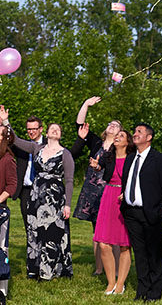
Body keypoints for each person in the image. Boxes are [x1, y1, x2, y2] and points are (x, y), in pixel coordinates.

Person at [5, 107, 74, 281]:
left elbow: (69, 181)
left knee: (51, 234)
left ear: (60, 134)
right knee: (34, 232)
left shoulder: (65, 154)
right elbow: (16, 140)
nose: (55, 130)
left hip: (55, 199)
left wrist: (67, 205)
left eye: (58, 129)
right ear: (48, 132)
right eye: (53, 129)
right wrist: (6, 123)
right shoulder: (37, 148)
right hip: (35, 197)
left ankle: (49, 271)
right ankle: (34, 269)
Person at [121, 121, 162, 301]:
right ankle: (142, 290)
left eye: (139, 131)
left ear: (149, 137)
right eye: (135, 131)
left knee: (154, 253)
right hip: (131, 213)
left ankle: (154, 292)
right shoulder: (130, 158)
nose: (135, 134)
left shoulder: (160, 159)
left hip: (151, 213)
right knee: (140, 253)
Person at [73, 96, 120, 279]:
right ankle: (99, 268)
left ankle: (115, 269)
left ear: (120, 134)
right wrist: (85, 104)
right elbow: (79, 125)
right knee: (97, 229)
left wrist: (100, 166)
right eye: (110, 123)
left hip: (110, 189)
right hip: (92, 190)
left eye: (116, 125)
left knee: (113, 229)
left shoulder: (119, 147)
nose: (111, 125)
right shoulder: (96, 143)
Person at [92, 126, 132, 295]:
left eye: (121, 135)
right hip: (109, 196)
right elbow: (100, 166)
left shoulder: (133, 158)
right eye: (116, 135)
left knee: (124, 244)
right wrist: (96, 166)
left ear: (127, 142)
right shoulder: (108, 156)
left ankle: (120, 284)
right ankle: (110, 282)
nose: (117, 137)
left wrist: (127, 192)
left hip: (125, 199)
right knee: (103, 243)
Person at [11, 115, 43, 266]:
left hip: (44, 191)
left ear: (41, 129)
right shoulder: (22, 146)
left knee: (43, 226)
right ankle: (33, 259)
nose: (31, 132)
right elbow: (10, 139)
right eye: (28, 129)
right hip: (26, 191)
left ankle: (45, 258)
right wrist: (2, 125)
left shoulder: (50, 145)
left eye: (34, 129)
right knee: (29, 226)